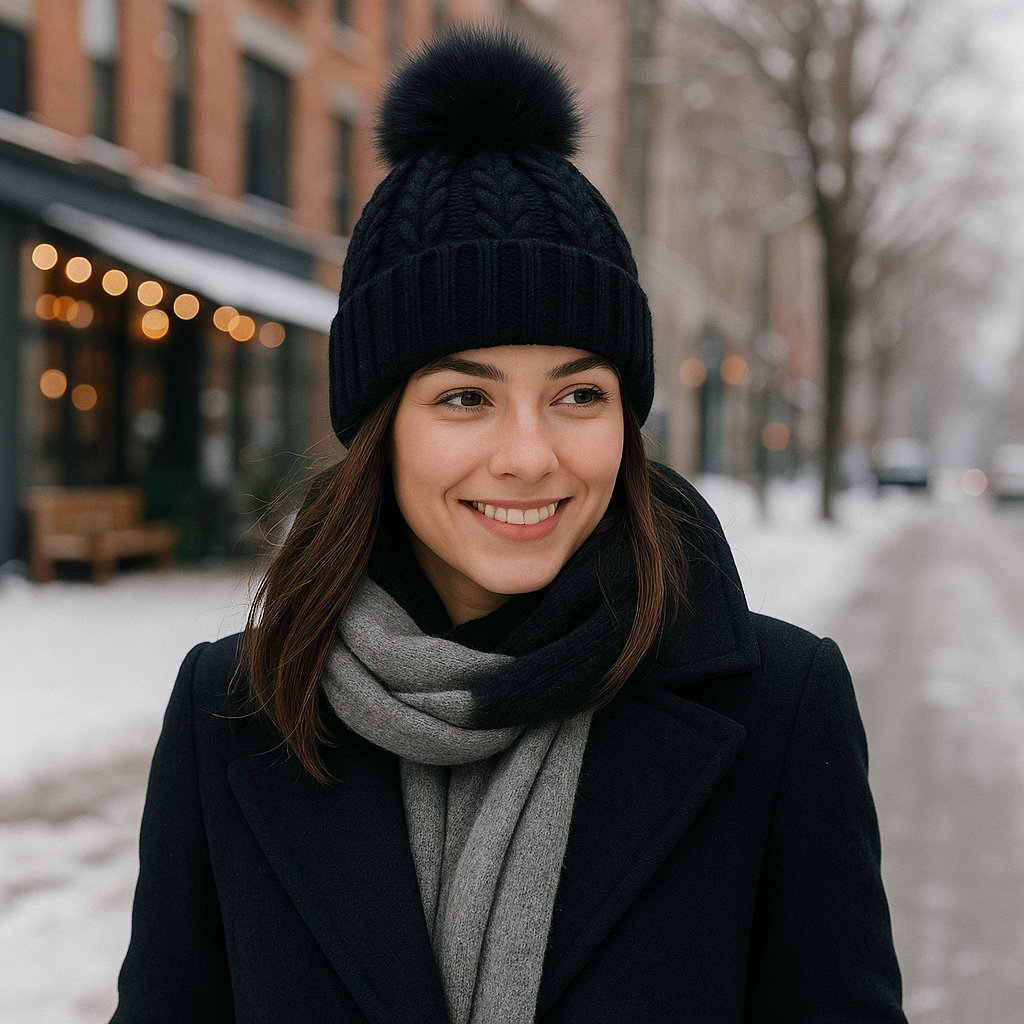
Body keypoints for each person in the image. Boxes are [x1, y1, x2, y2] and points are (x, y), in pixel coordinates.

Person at [110, 29, 907, 1024]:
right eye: (464, 398)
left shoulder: (779, 712)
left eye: (578, 394)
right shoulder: (232, 710)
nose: (530, 454)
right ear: (380, 427)